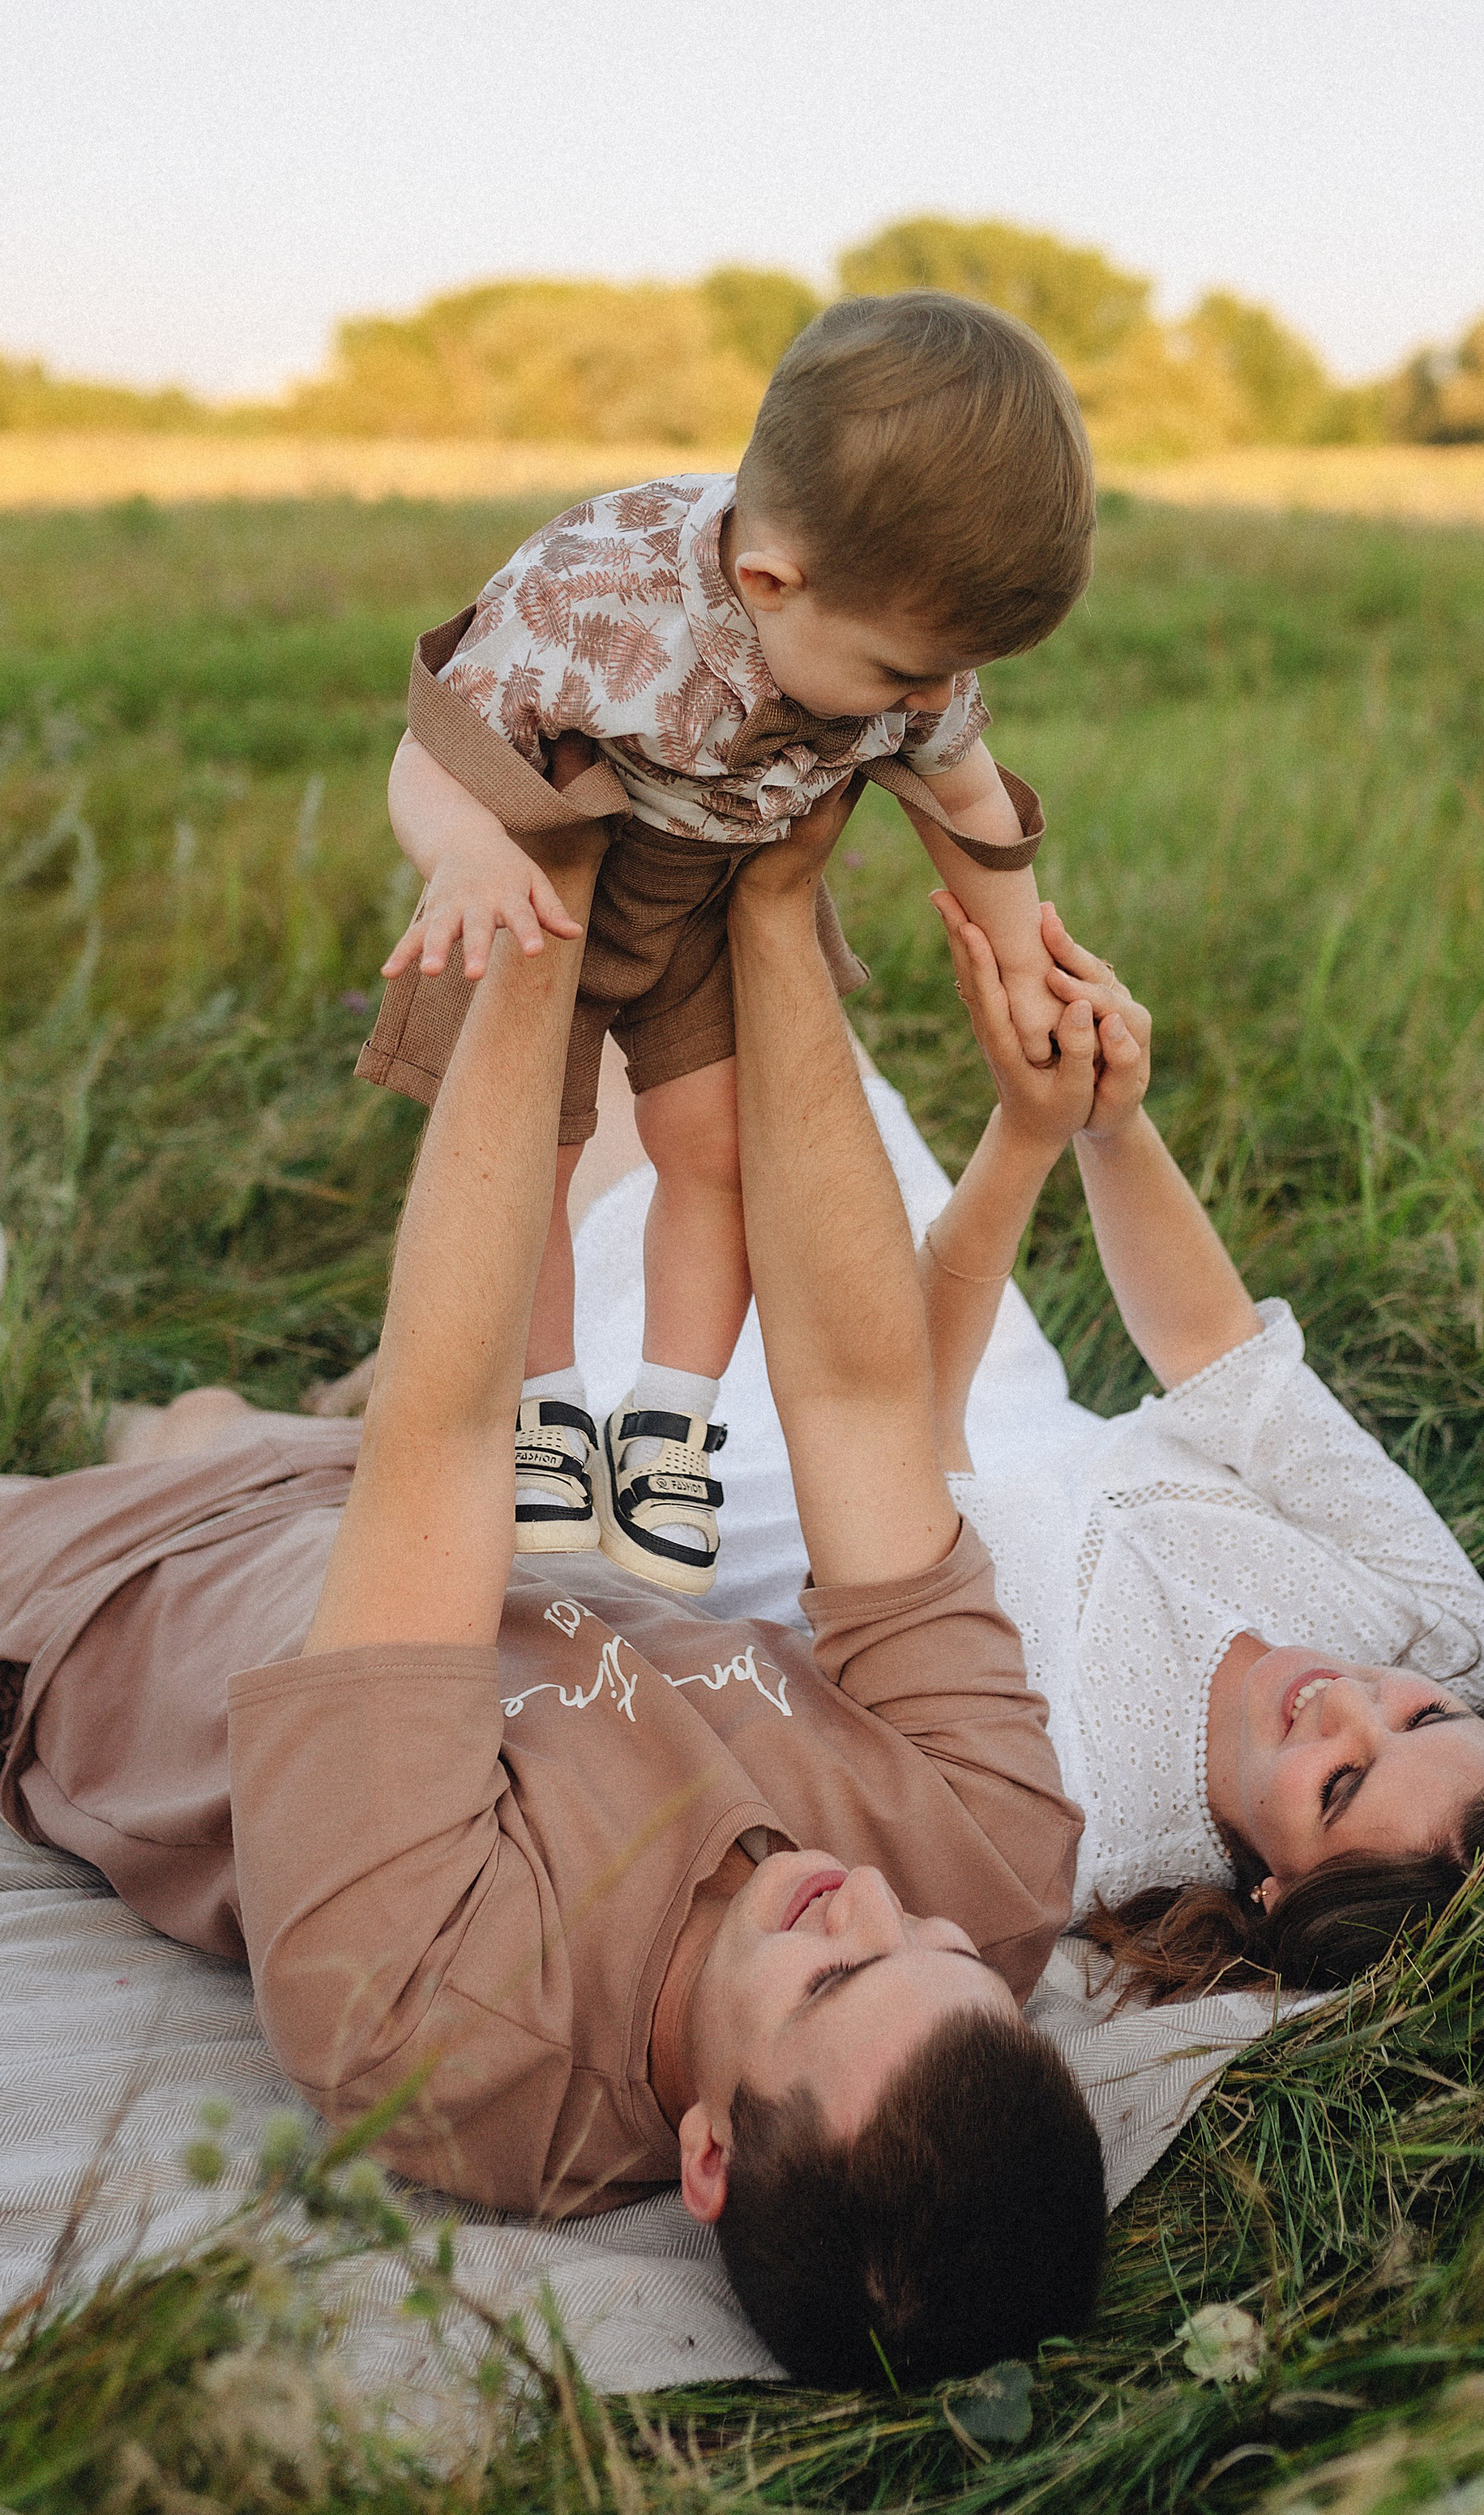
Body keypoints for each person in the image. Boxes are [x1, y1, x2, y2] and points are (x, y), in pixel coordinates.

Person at [0, 798, 1106, 2389]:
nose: (872, 1892)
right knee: (201, 1420)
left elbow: (448, 1429)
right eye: (937, 1944)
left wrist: (552, 915)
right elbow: (867, 1402)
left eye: (832, 1968)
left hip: (133, 1604)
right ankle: (16, 1388)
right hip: (461, 1547)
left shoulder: (445, 2032)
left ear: (708, 2165)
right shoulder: (993, 1872)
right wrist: (777, 904)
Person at [558, 899, 1484, 2007]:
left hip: (763, 1441)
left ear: (1275, 1895)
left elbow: (892, 1432)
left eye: (1338, 1785)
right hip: (978, 1336)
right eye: (1421, 1716)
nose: (1344, 1700)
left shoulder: (1078, 1828)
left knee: (570, 909)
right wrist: (1110, 1117)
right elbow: (1219, 1357)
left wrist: (1022, 1139)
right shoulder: (1438, 1627)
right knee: (722, 882)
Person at [357, 292, 1093, 1593]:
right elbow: (433, 752)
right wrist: (466, 850)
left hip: (705, 901)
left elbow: (970, 803)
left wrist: (1023, 956)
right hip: (549, 883)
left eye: (949, 674)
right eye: (903, 675)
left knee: (716, 1148)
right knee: (533, 1148)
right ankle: (546, 1411)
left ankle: (667, 1427)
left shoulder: (895, 633)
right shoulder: (593, 591)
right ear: (767, 582)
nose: (930, 704)